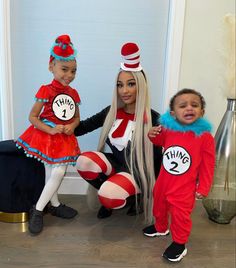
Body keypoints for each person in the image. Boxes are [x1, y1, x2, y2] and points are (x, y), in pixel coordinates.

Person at [75, 42, 162, 223]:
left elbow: (161, 158)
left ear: (141, 86)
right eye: (120, 85)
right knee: (84, 161)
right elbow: (81, 128)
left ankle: (135, 197)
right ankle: (113, 195)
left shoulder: (154, 119)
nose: (124, 91)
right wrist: (63, 114)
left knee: (109, 194)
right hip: (117, 166)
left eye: (130, 84)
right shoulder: (111, 112)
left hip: (138, 173)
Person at [16, 34, 81, 235]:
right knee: (55, 172)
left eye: (73, 71)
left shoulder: (73, 93)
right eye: (64, 69)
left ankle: (54, 203)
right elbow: (33, 117)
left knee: (54, 172)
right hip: (47, 136)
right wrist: (50, 129)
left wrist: (72, 125)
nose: (69, 75)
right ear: (51, 66)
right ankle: (38, 209)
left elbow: (76, 117)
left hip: (64, 138)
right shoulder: (45, 91)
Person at [142, 88, 215, 262]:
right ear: (174, 113)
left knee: (180, 215)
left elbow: (208, 165)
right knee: (158, 203)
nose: (189, 108)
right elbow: (157, 140)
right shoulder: (169, 130)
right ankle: (161, 227)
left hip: (184, 187)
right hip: (163, 182)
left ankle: (179, 243)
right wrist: (151, 133)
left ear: (202, 112)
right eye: (183, 105)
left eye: (194, 105)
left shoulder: (205, 137)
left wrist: (203, 187)